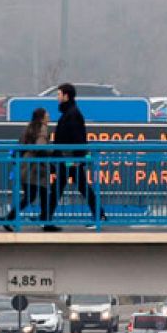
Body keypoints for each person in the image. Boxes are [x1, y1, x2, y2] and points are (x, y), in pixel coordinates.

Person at [52, 82, 105, 226]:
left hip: (70, 159)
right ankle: (45, 216)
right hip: (68, 158)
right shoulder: (69, 113)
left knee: (62, 188)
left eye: (59, 94)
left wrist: (77, 158)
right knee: (61, 188)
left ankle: (45, 217)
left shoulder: (72, 114)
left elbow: (78, 138)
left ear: (66, 96)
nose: (57, 97)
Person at [0, 108, 59, 232]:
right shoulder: (42, 128)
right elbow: (41, 147)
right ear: (42, 117)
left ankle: (44, 222)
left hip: (26, 167)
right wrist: (52, 151)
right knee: (36, 195)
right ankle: (10, 218)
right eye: (47, 114)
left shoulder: (29, 128)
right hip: (37, 169)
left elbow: (21, 145)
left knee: (34, 195)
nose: (49, 116)